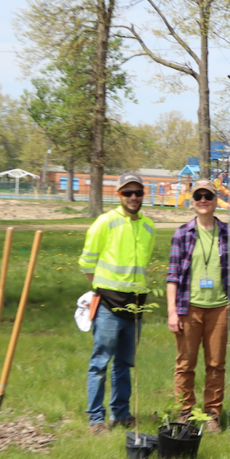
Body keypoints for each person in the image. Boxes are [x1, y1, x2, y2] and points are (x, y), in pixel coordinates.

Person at [165, 181, 230, 433]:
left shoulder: (229, 232)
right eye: (198, 196)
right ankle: (185, 412)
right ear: (192, 200)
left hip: (219, 309)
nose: (203, 199)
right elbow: (172, 277)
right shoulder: (182, 233)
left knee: (216, 364)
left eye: (208, 196)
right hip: (188, 308)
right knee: (185, 363)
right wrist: (172, 312)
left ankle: (212, 414)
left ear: (216, 200)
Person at [78, 173, 157, 435]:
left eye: (138, 193)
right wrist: (101, 289)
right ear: (119, 194)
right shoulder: (105, 222)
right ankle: (96, 419)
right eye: (128, 193)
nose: (133, 197)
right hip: (107, 307)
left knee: (125, 363)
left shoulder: (149, 228)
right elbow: (87, 263)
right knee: (100, 363)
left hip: (135, 308)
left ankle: (121, 414)